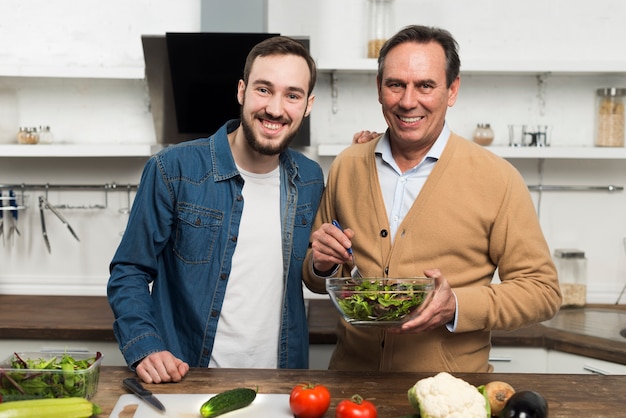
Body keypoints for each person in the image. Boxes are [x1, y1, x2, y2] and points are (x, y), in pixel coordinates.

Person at [303, 25, 562, 373]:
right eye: (396, 84)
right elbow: (318, 275)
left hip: (451, 393)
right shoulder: (347, 165)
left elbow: (542, 291)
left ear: (452, 90)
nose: (408, 101)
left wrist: (456, 304)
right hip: (352, 387)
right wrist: (322, 264)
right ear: (379, 88)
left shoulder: (497, 179)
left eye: (425, 85)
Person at [108, 36, 324, 383]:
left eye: (292, 95)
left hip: (280, 382)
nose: (275, 108)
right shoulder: (173, 169)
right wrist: (145, 345)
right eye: (264, 90)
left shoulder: (310, 179)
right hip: (187, 378)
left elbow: (316, 272)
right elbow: (129, 270)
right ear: (242, 91)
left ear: (308, 104)